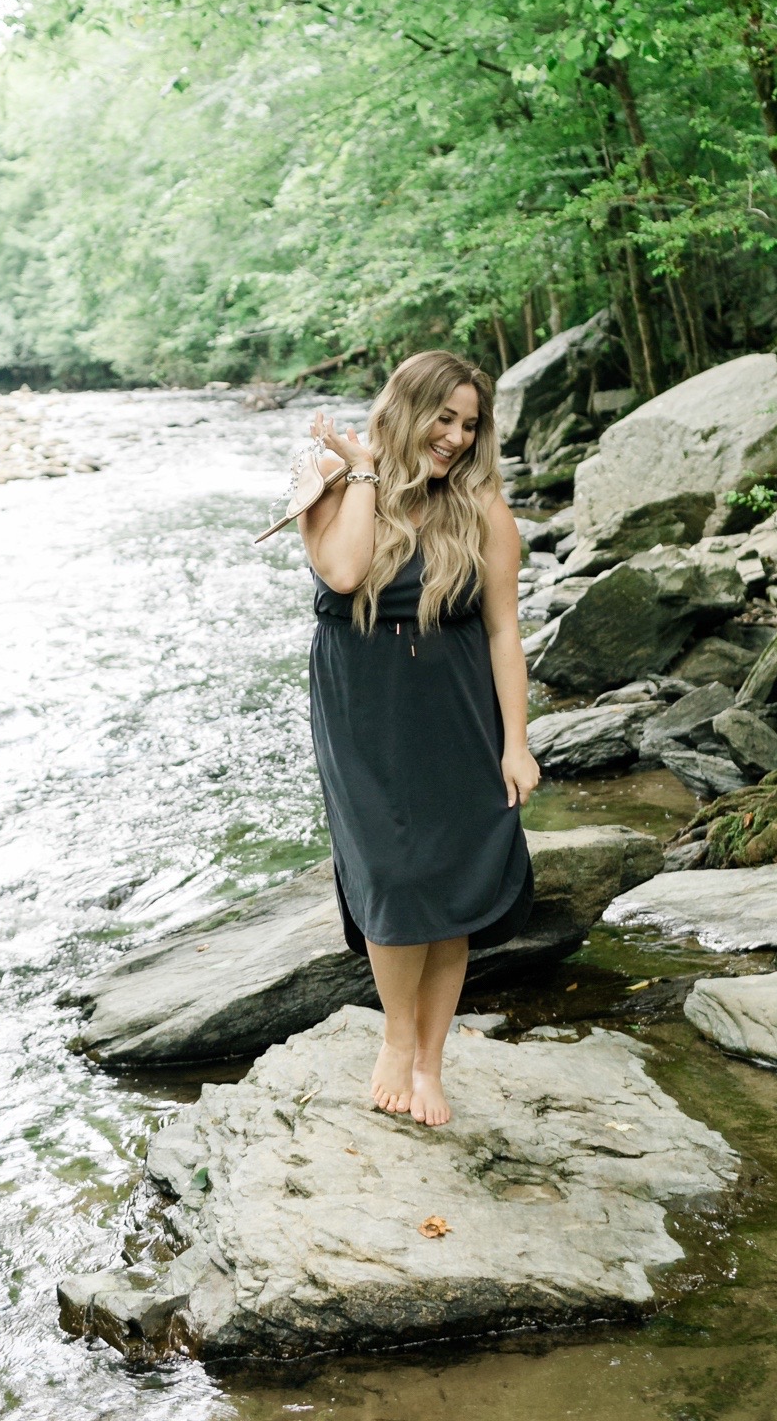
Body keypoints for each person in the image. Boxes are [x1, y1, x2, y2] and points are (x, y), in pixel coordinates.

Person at [297, 350, 540, 1128]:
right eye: (443, 418)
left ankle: (430, 1061)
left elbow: (504, 631)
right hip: (363, 712)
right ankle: (395, 1039)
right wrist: (364, 471)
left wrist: (516, 742)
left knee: (449, 881)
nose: (456, 438)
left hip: (457, 710)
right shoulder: (335, 483)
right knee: (391, 876)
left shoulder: (482, 509)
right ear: (407, 408)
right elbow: (342, 573)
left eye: (470, 425)